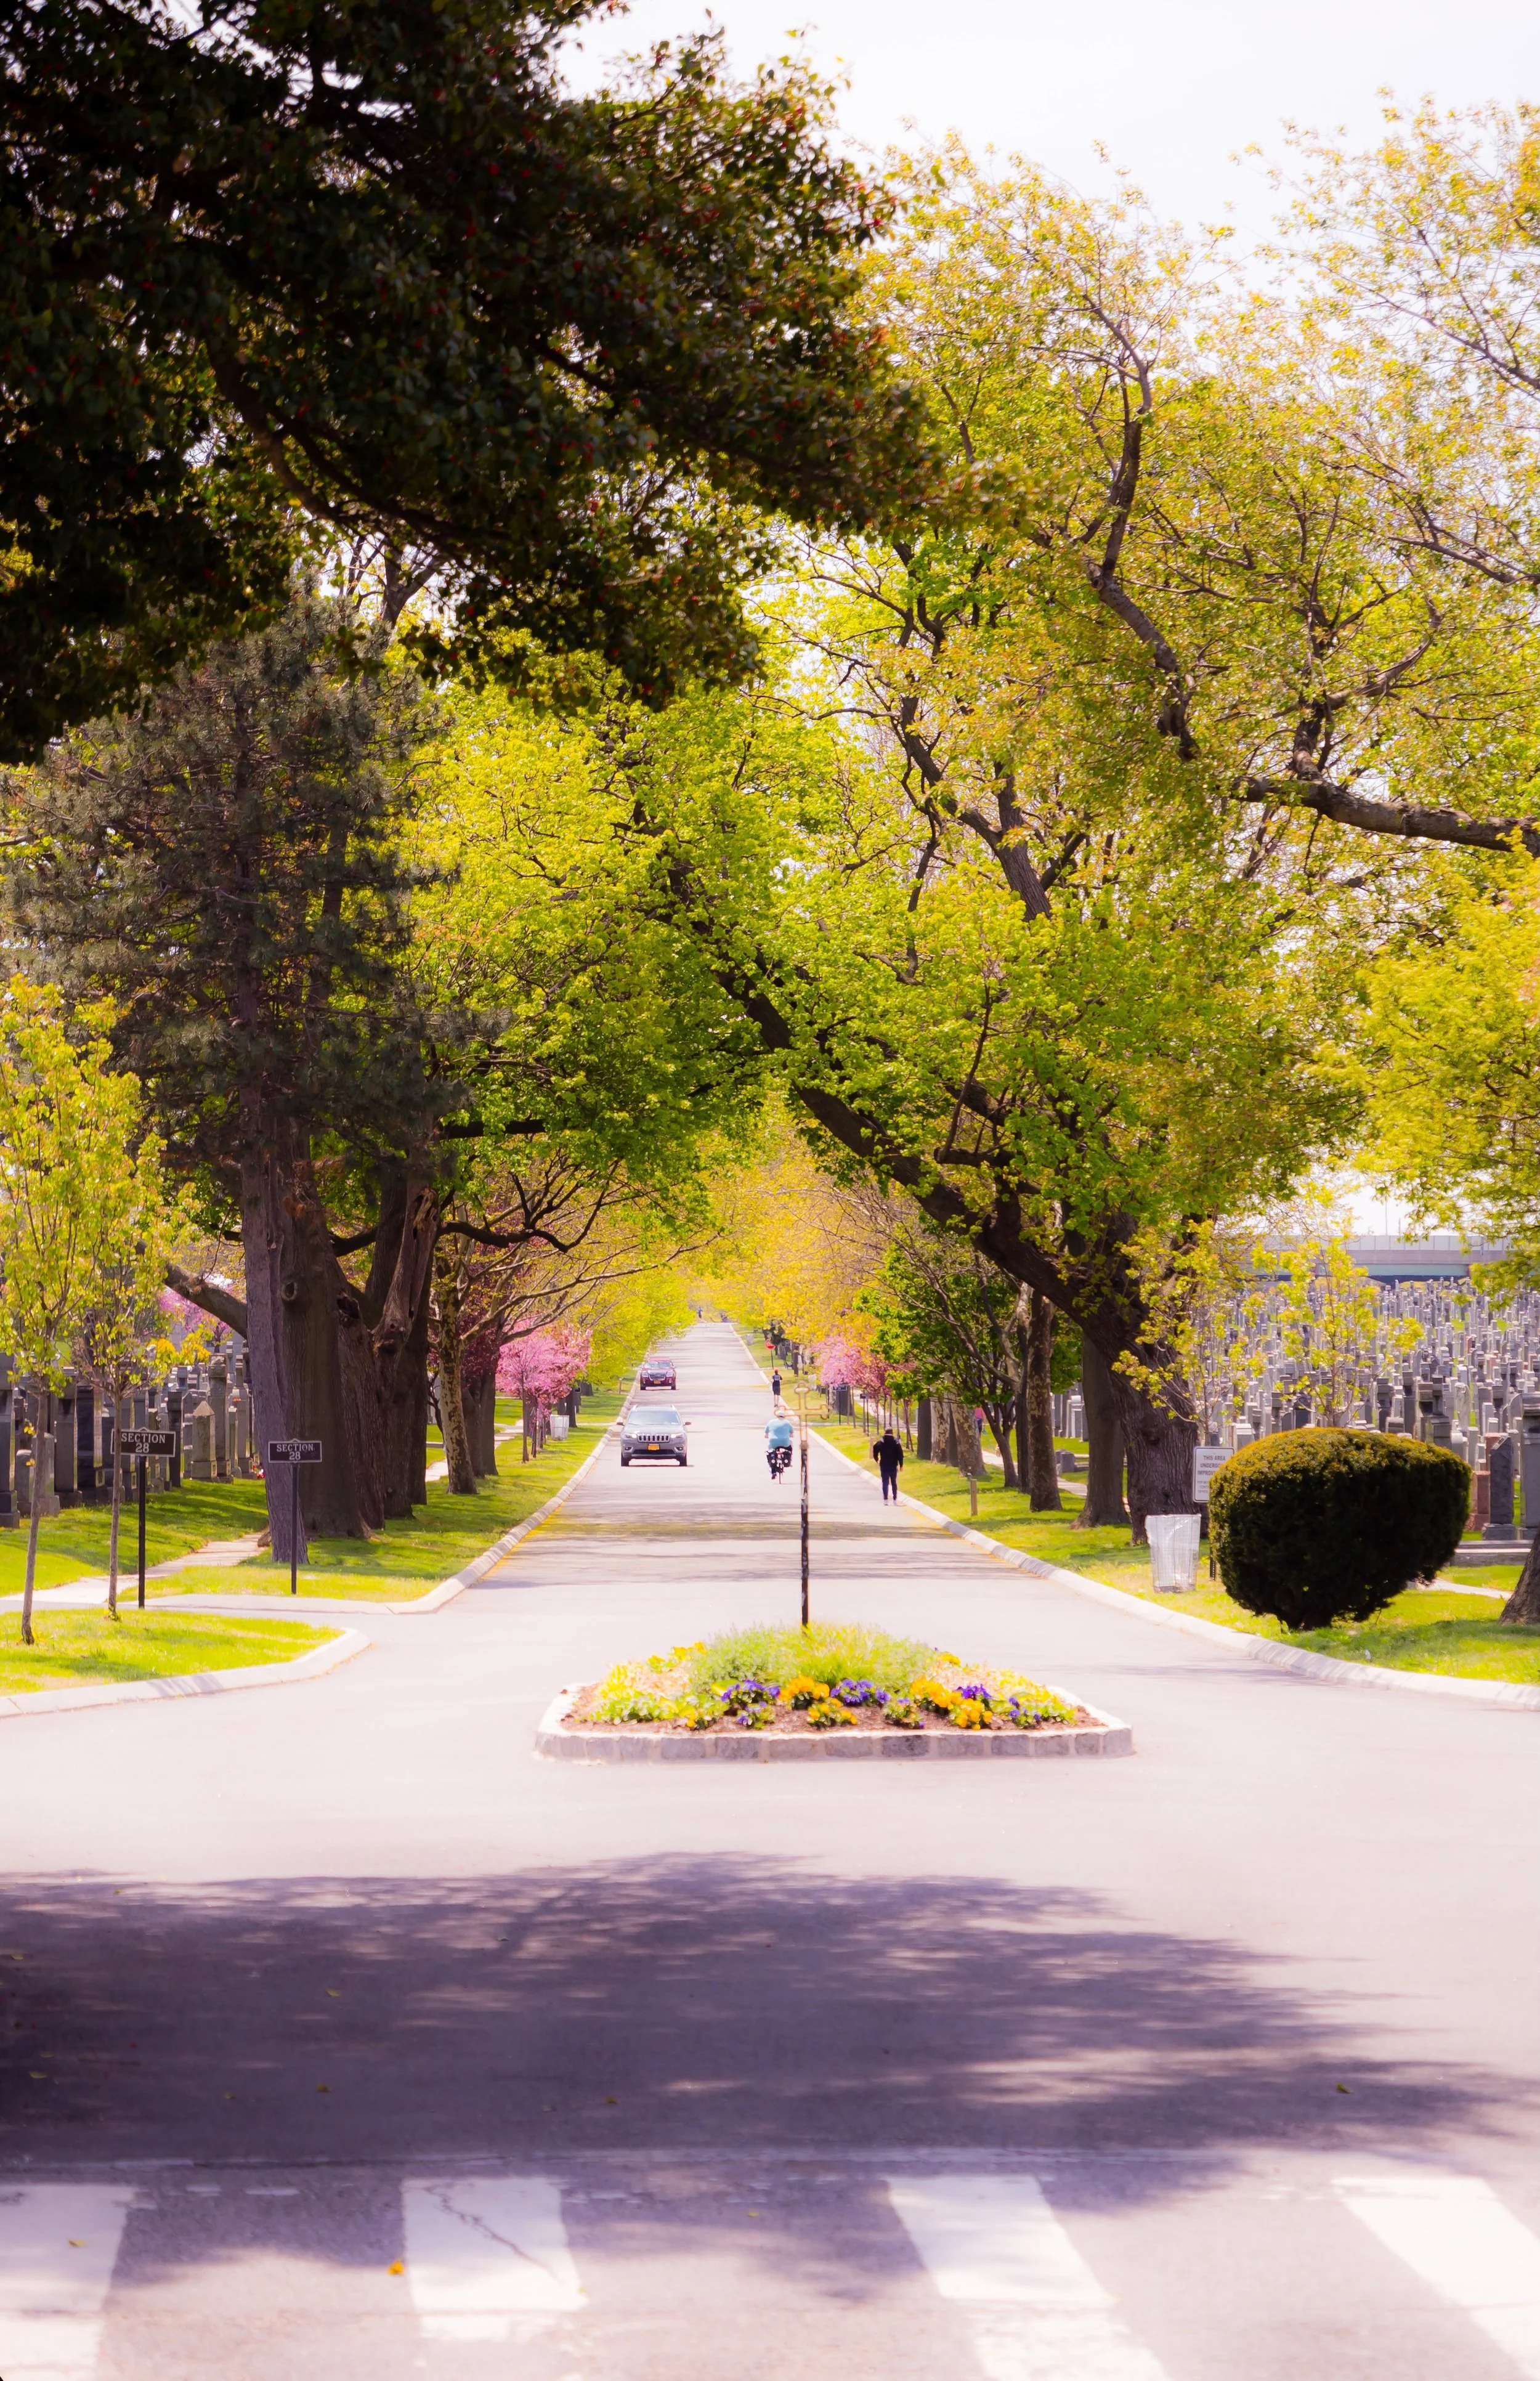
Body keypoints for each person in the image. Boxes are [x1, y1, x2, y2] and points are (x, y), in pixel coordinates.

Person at [872, 1427, 904, 1503]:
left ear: (885, 1432)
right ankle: (895, 1499)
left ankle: (886, 1499)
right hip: (893, 1465)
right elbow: (900, 1454)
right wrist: (901, 1465)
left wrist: (877, 1459)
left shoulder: (882, 1441)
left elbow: (875, 1449)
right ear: (892, 1433)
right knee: (894, 1482)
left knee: (885, 1482)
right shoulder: (895, 1442)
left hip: (884, 1465)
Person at [764, 1413, 794, 1480]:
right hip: (785, 1442)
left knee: (771, 1451)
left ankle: (773, 1469)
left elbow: (766, 1432)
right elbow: (792, 1433)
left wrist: (766, 1435)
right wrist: (791, 1435)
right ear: (784, 1416)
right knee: (790, 1445)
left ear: (776, 1416)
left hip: (773, 1442)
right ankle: (789, 1460)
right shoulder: (787, 1423)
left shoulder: (771, 1422)